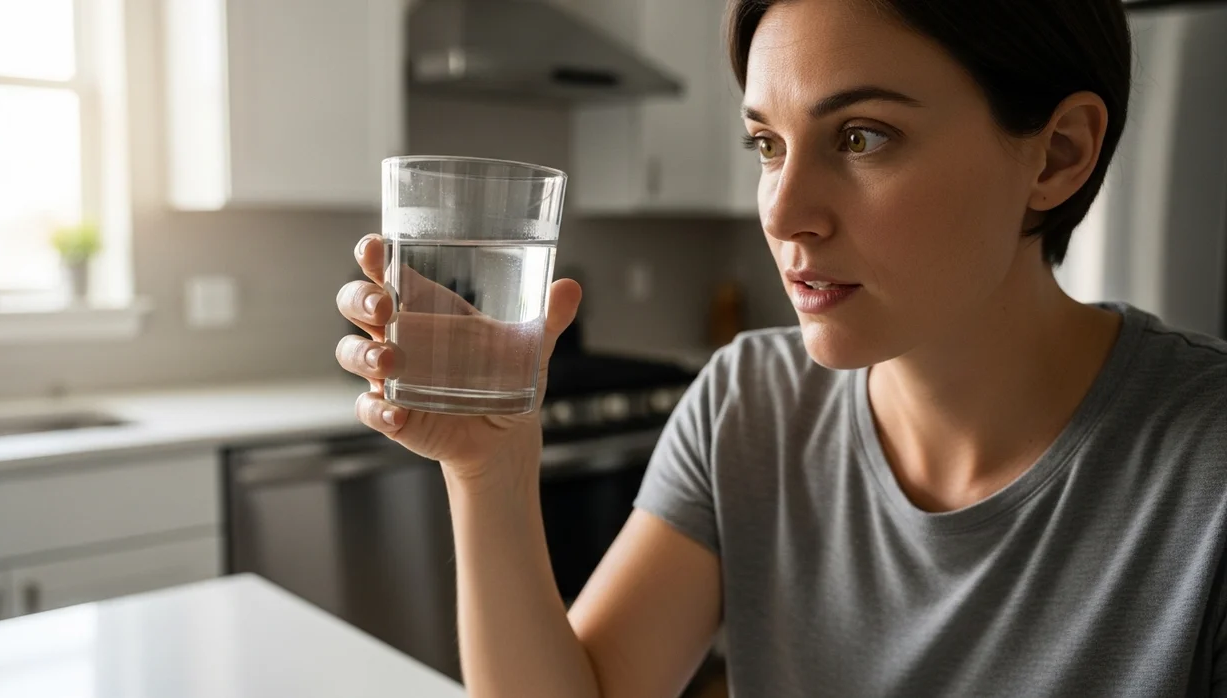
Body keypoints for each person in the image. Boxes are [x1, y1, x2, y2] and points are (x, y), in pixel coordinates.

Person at [335, 0, 1227, 694]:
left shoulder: (1206, 469)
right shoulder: (747, 403)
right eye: (767, 143)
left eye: (861, 136)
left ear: (1058, 154)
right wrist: (489, 474)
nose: (782, 211)